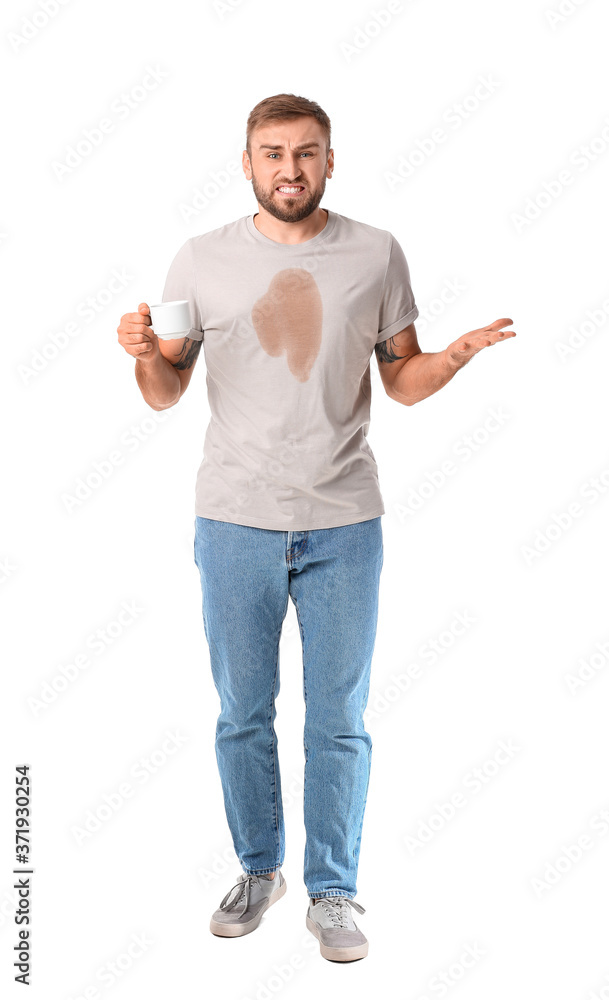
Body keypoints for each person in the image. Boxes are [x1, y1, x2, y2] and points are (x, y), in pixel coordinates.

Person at [117, 93, 516, 963]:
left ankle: (333, 891)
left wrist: (447, 359)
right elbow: (164, 391)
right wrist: (146, 352)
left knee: (338, 717)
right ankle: (260, 870)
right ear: (247, 162)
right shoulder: (199, 260)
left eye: (305, 153)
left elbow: (401, 376)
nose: (288, 169)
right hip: (233, 522)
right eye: (271, 153)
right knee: (241, 714)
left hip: (344, 521)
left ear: (330, 161)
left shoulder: (375, 254)